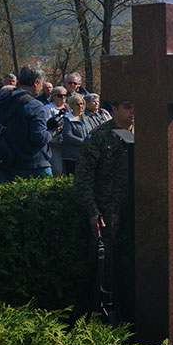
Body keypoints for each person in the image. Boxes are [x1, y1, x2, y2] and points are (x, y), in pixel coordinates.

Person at [74, 100, 134, 240]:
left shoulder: (144, 134)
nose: (133, 111)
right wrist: (92, 212)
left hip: (135, 212)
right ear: (114, 109)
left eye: (135, 107)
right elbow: (83, 178)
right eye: (127, 107)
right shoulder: (98, 136)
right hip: (106, 212)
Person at [0, 64, 53, 182]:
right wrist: (51, 132)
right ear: (36, 82)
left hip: (5, 162)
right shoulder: (36, 106)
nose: (41, 88)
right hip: (33, 163)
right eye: (41, 84)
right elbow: (39, 138)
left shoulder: (2, 102)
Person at [62, 94, 90, 175]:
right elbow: (68, 135)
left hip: (86, 155)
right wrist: (84, 142)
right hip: (72, 156)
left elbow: (90, 132)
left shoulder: (86, 118)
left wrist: (91, 141)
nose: (80, 106)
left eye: (81, 104)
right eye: (77, 104)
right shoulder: (67, 118)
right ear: (72, 105)